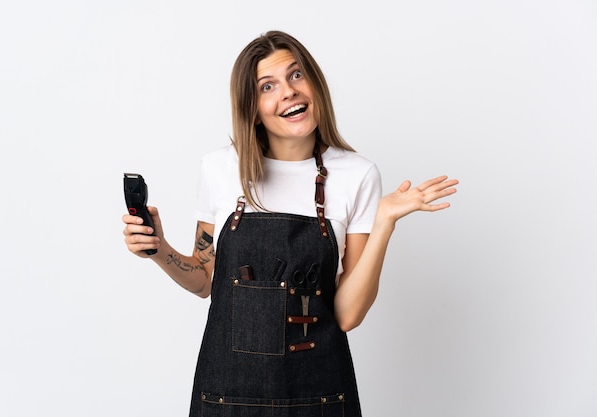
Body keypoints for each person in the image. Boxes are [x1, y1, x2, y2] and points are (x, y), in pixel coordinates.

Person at [122, 30, 458, 417]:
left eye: (296, 75)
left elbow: (347, 314)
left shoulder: (357, 175)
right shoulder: (220, 169)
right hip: (227, 399)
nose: (288, 92)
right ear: (253, 108)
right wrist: (159, 249)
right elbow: (204, 280)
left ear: (314, 83)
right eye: (268, 85)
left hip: (320, 397)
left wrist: (384, 222)